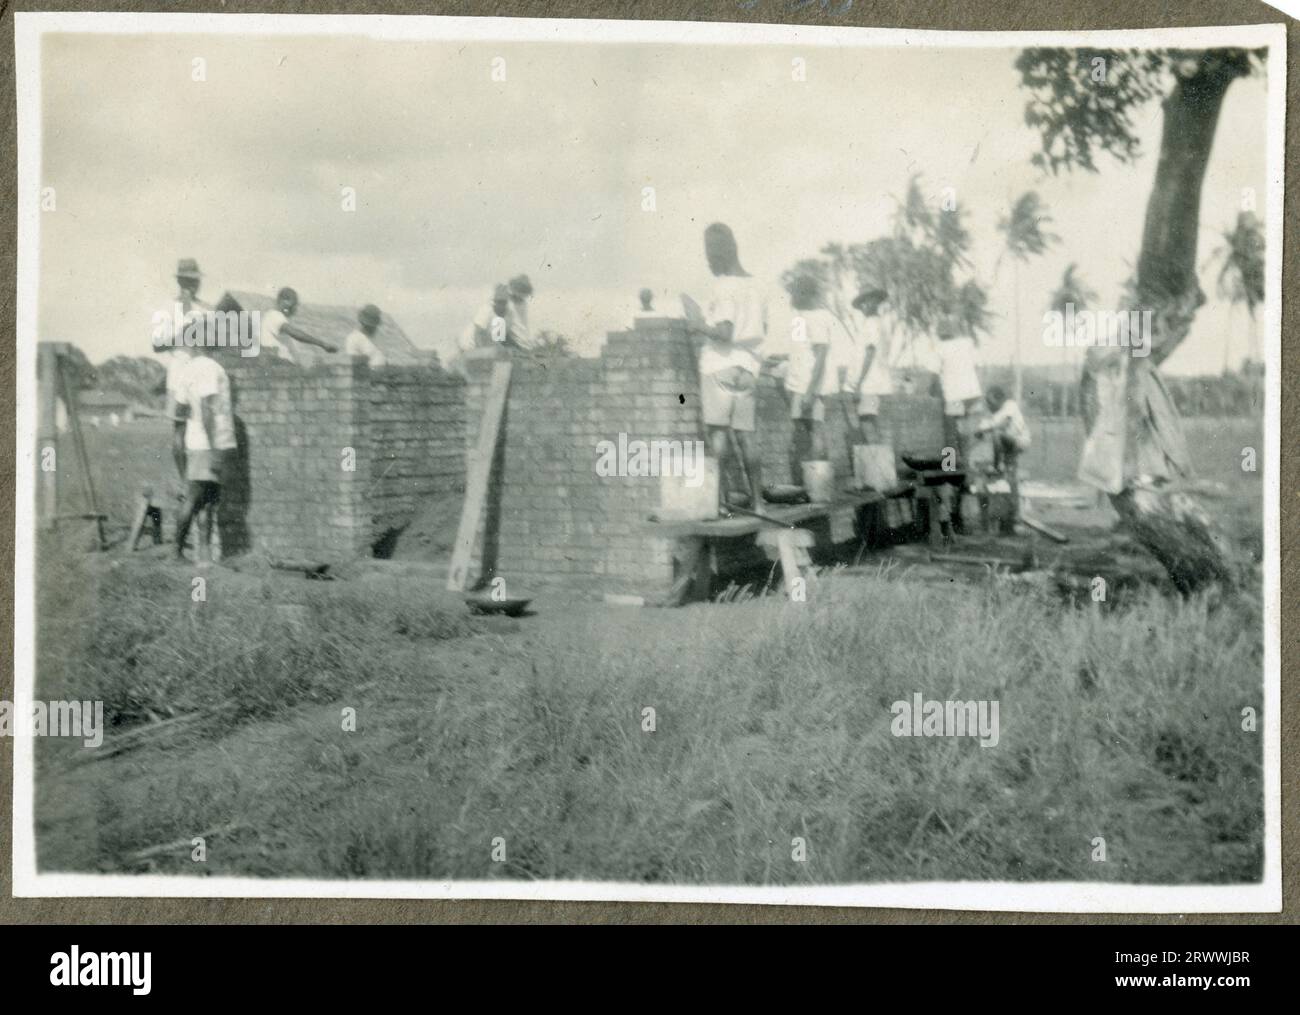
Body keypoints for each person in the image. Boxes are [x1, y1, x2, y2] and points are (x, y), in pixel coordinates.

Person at [688, 222, 768, 511]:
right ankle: (758, 502)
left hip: (719, 365)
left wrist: (698, 325)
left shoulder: (723, 287)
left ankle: (718, 503)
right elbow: (764, 327)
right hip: (748, 368)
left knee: (718, 436)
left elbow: (724, 332)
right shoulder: (757, 285)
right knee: (747, 437)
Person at [173, 341, 237, 564]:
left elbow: (179, 412)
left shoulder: (187, 370)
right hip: (209, 443)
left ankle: (203, 555)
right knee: (194, 498)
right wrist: (215, 448)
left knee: (206, 501)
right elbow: (208, 409)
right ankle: (176, 553)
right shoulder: (210, 367)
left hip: (197, 441)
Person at [784, 272, 849, 478]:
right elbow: (798, 353)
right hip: (798, 386)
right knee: (801, 434)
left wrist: (810, 391)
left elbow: (821, 356)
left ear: (806, 294)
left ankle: (820, 484)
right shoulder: (798, 319)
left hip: (811, 388)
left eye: (796, 293)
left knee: (815, 432)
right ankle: (807, 484)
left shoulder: (820, 317)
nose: (792, 298)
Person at [155, 258, 210, 481]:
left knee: (202, 426)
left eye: (195, 281)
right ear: (180, 281)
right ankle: (184, 481)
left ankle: (199, 479)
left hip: (201, 368)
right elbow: (157, 344)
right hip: (179, 370)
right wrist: (184, 332)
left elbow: (214, 341)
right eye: (188, 280)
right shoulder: (168, 308)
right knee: (179, 428)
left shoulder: (205, 308)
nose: (192, 285)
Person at [976, 384, 1032, 525]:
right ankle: (1007, 516)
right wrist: (981, 430)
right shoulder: (994, 414)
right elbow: (982, 429)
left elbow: (1003, 424)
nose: (989, 405)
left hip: (1019, 440)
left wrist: (986, 428)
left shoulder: (1009, 405)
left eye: (990, 401)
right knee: (1008, 476)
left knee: (997, 434)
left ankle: (997, 464)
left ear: (999, 398)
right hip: (1007, 446)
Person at [935, 315, 983, 469]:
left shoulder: (940, 347)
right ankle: (967, 464)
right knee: (966, 432)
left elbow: (934, 374)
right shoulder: (967, 343)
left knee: (950, 433)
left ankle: (949, 467)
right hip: (972, 394)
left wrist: (934, 390)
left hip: (954, 395)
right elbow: (979, 366)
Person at [851, 287, 894, 445]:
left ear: (875, 302)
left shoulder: (871, 323)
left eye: (867, 301)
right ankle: (882, 465)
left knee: (867, 422)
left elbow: (870, 353)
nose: (864, 306)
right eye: (862, 303)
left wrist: (859, 384)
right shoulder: (882, 324)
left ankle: (876, 465)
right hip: (880, 381)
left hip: (869, 383)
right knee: (875, 424)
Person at [258, 288, 338, 363]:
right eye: (293, 305)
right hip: (279, 365)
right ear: (283, 301)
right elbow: (294, 333)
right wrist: (322, 344)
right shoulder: (274, 315)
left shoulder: (277, 317)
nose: (294, 309)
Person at [506, 275, 533, 349]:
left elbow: (523, 326)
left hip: (524, 343)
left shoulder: (524, 304)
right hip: (512, 343)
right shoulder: (506, 304)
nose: (523, 296)